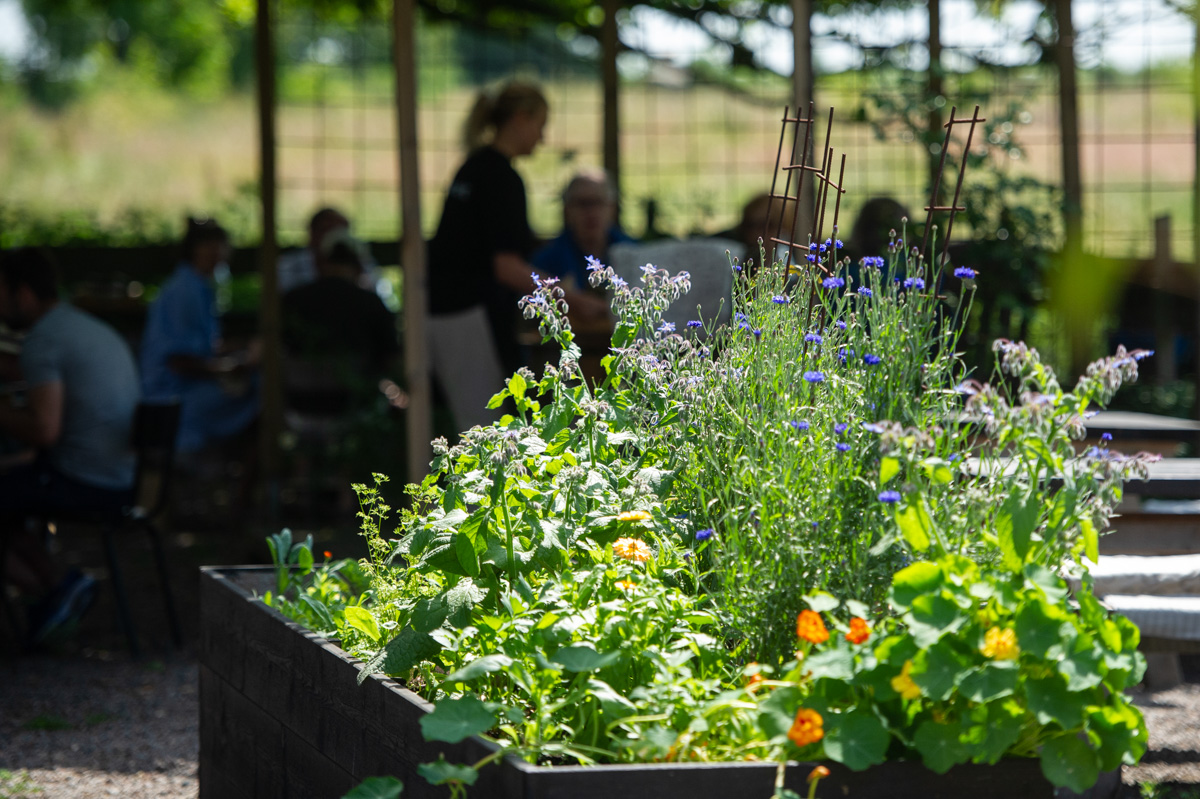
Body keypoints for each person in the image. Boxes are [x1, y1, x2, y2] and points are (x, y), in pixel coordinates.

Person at [426, 81, 607, 432]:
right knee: (484, 430)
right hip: (468, 316)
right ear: (522, 118)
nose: (542, 138)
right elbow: (506, 266)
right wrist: (572, 299)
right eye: (541, 125)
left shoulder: (473, 168)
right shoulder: (501, 178)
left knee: (475, 424)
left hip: (443, 313)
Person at [0, 248, 140, 644]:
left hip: (87, 483)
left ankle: (49, 593)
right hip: (124, 478)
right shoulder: (82, 327)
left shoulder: (43, 340)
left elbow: (45, 431)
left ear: (22, 294)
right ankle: (58, 589)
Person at [140, 217, 260, 454]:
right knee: (259, 391)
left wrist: (244, 347)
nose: (219, 254)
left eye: (221, 248)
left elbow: (203, 345)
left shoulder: (198, 287)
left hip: (183, 387)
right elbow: (179, 360)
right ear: (195, 250)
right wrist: (229, 369)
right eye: (212, 247)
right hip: (170, 395)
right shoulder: (185, 290)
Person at [282, 232, 399, 414]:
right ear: (359, 266)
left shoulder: (292, 300)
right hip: (354, 404)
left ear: (320, 263)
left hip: (298, 403)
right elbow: (390, 356)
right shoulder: (370, 303)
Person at [532, 169, 633, 293]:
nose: (591, 213)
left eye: (598, 202)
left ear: (612, 207)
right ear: (567, 209)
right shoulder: (547, 261)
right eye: (582, 204)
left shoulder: (634, 253)